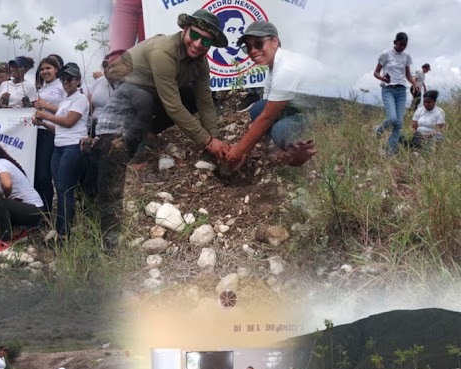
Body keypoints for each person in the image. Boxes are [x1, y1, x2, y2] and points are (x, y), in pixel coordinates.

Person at [95, 10, 231, 248]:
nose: (199, 44)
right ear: (185, 30)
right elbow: (172, 105)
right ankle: (134, 155)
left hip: (152, 93)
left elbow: (205, 101)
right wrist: (207, 142)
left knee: (189, 96)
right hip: (128, 89)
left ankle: (148, 132)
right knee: (144, 103)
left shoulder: (200, 61)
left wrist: (215, 140)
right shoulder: (163, 51)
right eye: (195, 36)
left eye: (207, 41)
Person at [223, 22, 318, 170]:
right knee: (257, 109)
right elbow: (265, 109)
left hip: (328, 112)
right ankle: (292, 142)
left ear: (274, 42)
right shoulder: (273, 67)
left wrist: (239, 150)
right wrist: (245, 149)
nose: (253, 51)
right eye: (248, 47)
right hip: (305, 106)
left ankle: (302, 151)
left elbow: (267, 118)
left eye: (258, 44)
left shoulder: (287, 69)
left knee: (279, 129)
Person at [34, 63, 89, 238]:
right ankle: (60, 228)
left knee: (66, 189)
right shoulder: (66, 100)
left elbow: (68, 122)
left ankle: (63, 231)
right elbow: (59, 128)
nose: (66, 81)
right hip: (59, 146)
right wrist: (43, 123)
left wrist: (46, 115)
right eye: (63, 78)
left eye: (70, 79)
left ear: (78, 81)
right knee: (60, 188)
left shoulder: (80, 99)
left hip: (73, 147)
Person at [0, 140, 44, 252]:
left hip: (34, 211)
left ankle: (5, 241)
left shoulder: (1, 165)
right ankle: (19, 232)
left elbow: (7, 184)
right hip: (20, 209)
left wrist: (6, 198)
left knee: (2, 203)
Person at [374, 32, 418, 155]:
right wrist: (383, 78)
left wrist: (415, 84)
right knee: (392, 118)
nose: (402, 47)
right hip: (388, 89)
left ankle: (391, 151)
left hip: (401, 91)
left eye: (404, 45)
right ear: (395, 42)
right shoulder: (386, 54)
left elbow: (408, 75)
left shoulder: (406, 57)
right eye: (400, 44)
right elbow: (376, 72)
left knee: (398, 123)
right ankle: (379, 130)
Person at [32, 56, 65, 213]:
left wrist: (45, 105)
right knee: (36, 173)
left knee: (45, 174)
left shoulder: (62, 86)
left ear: (56, 69)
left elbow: (67, 111)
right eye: (42, 69)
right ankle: (37, 211)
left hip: (51, 133)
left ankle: (46, 212)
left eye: (48, 68)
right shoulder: (41, 88)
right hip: (36, 132)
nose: (45, 72)